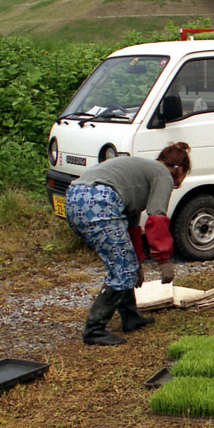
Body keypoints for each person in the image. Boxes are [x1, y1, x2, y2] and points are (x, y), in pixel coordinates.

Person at [65, 142, 191, 345]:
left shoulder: (141, 172)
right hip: (98, 201)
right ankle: (94, 329)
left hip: (75, 198)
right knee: (123, 270)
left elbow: (132, 228)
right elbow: (156, 219)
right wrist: (163, 260)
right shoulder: (162, 175)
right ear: (181, 170)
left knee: (124, 265)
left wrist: (138, 262)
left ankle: (130, 317)